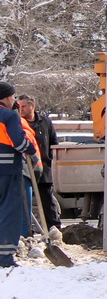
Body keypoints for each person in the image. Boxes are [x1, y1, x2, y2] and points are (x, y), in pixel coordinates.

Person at [0, 82, 40, 267]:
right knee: (9, 212)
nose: (15, 101)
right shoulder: (8, 116)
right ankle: (5, 256)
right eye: (13, 97)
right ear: (7, 97)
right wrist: (30, 150)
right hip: (7, 171)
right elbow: (19, 142)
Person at [17, 95, 60, 231]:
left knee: (47, 199)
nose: (21, 109)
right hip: (26, 169)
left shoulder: (45, 122)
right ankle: (27, 231)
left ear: (32, 106)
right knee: (25, 201)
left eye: (24, 106)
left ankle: (54, 229)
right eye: (19, 107)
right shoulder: (18, 123)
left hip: (43, 168)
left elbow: (53, 144)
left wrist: (47, 160)